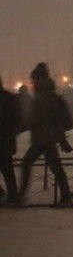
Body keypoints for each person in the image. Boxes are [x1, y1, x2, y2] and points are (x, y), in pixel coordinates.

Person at [17, 63, 73, 207]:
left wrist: (19, 128)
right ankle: (66, 196)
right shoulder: (49, 94)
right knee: (55, 167)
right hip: (47, 137)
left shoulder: (43, 96)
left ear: (38, 80)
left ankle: (20, 197)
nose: (32, 83)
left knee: (27, 165)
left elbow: (35, 118)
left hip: (43, 138)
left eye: (33, 80)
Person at [0, 76, 20, 204]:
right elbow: (17, 118)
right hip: (7, 139)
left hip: (4, 138)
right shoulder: (9, 97)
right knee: (7, 169)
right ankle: (12, 195)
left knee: (7, 168)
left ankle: (10, 195)